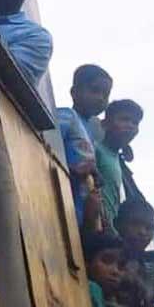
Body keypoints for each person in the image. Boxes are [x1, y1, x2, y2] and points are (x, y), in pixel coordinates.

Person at [56, 64, 112, 228]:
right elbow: (45, 147)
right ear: (74, 93)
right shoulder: (67, 116)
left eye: (106, 94)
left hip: (84, 217)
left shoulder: (91, 133)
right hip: (64, 208)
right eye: (95, 90)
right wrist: (74, 170)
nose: (101, 98)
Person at [94, 99, 143, 232]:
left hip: (110, 228)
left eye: (135, 123)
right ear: (106, 123)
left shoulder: (117, 158)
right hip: (96, 226)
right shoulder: (96, 149)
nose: (131, 125)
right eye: (124, 119)